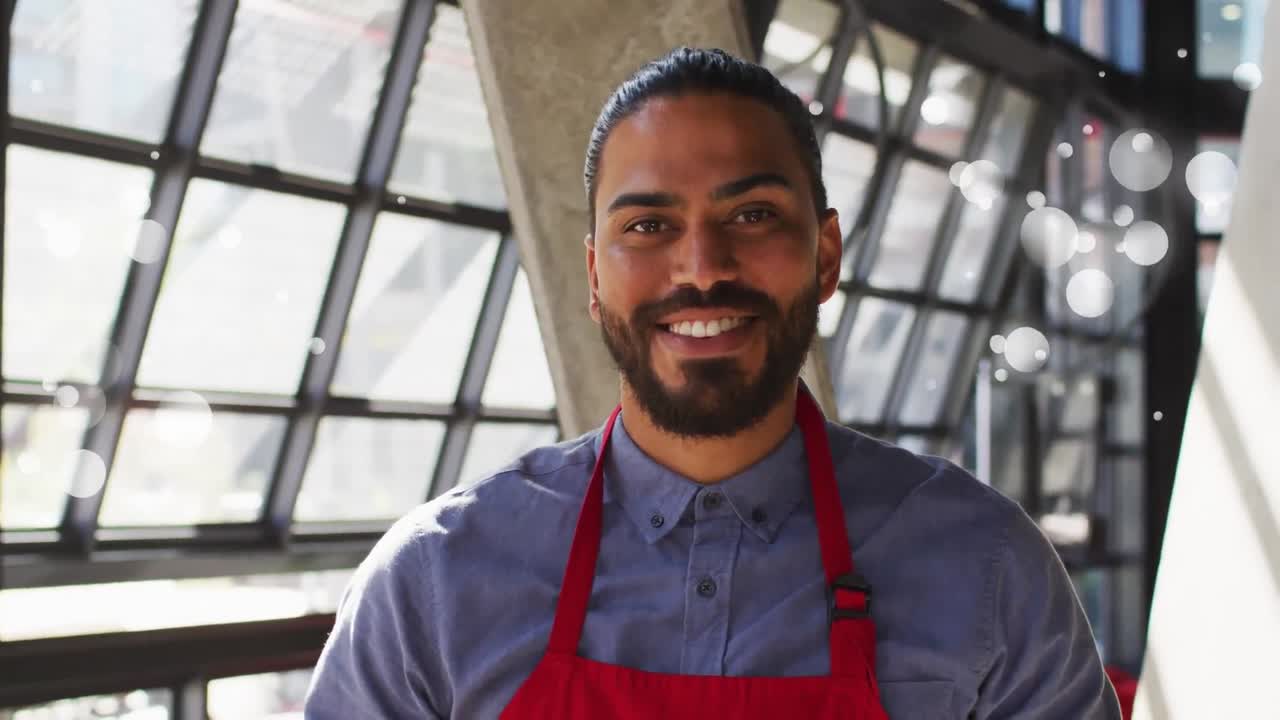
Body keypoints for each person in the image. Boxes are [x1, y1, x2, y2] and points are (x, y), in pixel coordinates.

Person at [305, 47, 1121, 719]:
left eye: (753, 214)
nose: (702, 270)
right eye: (648, 226)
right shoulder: (434, 582)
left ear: (826, 255)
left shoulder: (987, 569)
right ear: (593, 275)